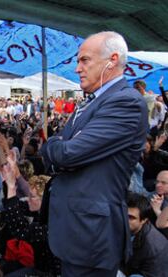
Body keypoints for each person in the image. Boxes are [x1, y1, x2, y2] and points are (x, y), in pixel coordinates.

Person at [40, 31, 148, 276]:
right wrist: (59, 148)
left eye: (84, 60)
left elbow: (66, 153)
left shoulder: (126, 102)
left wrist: (54, 146)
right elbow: (63, 153)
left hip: (91, 236)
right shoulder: (92, 102)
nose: (77, 68)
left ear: (112, 59)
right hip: (76, 231)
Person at [121, 193, 168, 277]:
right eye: (123, 215)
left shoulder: (153, 246)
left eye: (131, 217)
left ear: (144, 220)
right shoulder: (127, 228)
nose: (124, 220)